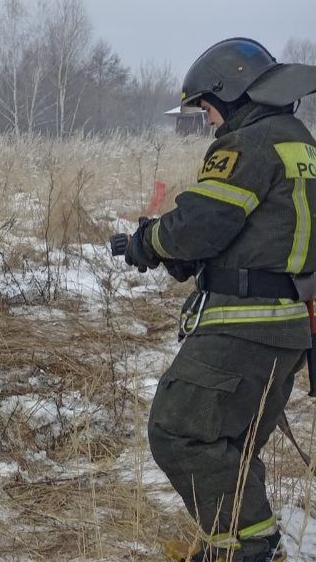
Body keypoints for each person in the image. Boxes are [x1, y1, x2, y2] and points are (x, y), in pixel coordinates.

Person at [123, 37, 316, 562]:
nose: (208, 120)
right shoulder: (302, 145)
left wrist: (147, 241)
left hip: (243, 328)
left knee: (179, 430)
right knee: (233, 443)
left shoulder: (249, 143)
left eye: (206, 107)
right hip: (289, 325)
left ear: (229, 94)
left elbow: (201, 225)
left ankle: (249, 548)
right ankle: (233, 544)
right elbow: (261, 233)